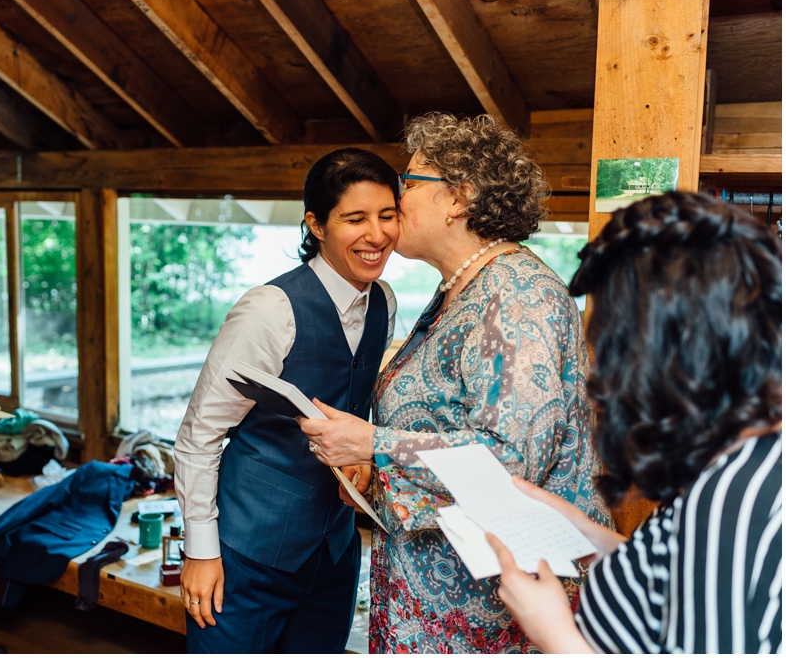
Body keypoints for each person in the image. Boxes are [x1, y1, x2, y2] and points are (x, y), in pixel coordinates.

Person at [299, 113, 612, 652]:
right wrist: (375, 477)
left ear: (459, 198)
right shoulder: (462, 287)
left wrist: (373, 444)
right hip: (443, 580)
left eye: (410, 181)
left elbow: (512, 456)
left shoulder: (516, 296)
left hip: (493, 600)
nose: (397, 198)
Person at [488, 192, 782, 654]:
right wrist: (581, 533)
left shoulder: (734, 498)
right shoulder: (747, 451)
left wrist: (555, 633)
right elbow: (680, 570)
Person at [174, 148, 400, 653]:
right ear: (316, 225)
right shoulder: (269, 310)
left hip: (336, 551)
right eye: (355, 218)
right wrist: (202, 552)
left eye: (388, 215)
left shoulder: (384, 299)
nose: (377, 235)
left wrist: (364, 463)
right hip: (246, 555)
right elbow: (198, 437)